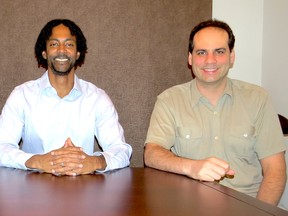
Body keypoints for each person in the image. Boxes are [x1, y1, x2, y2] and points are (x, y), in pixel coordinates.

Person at [144, 19, 286, 206]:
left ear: (231, 56)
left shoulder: (258, 99)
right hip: (189, 207)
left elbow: (275, 171)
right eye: (201, 52)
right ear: (190, 58)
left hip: (249, 207)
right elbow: (152, 154)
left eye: (219, 52)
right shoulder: (169, 100)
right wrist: (192, 167)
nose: (210, 60)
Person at [0, 19, 132, 176]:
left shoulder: (97, 98)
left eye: (69, 44)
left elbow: (121, 149)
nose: (61, 50)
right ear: (44, 53)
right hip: (32, 191)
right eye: (54, 44)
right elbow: (2, 146)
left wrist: (94, 162)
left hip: (83, 190)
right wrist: (38, 161)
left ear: (77, 54)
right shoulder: (22, 96)